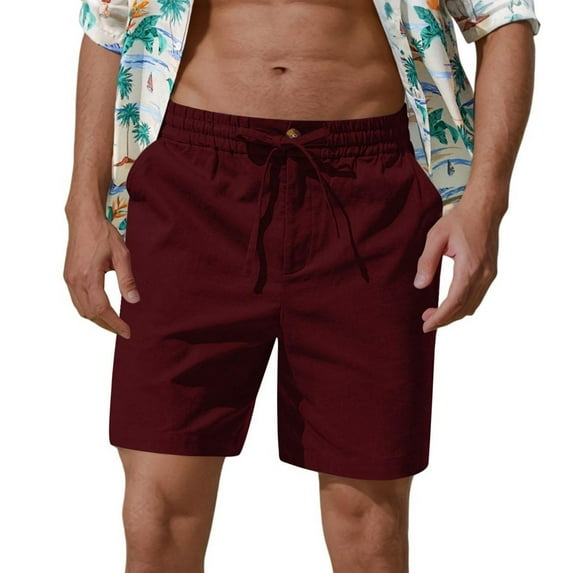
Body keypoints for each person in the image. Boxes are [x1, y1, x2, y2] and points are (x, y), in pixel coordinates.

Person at [63, 1, 539, 571]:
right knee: (157, 515)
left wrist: (486, 202)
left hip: (371, 187)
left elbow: (502, 18)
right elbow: (108, 23)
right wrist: (83, 206)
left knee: (369, 524)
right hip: (190, 186)